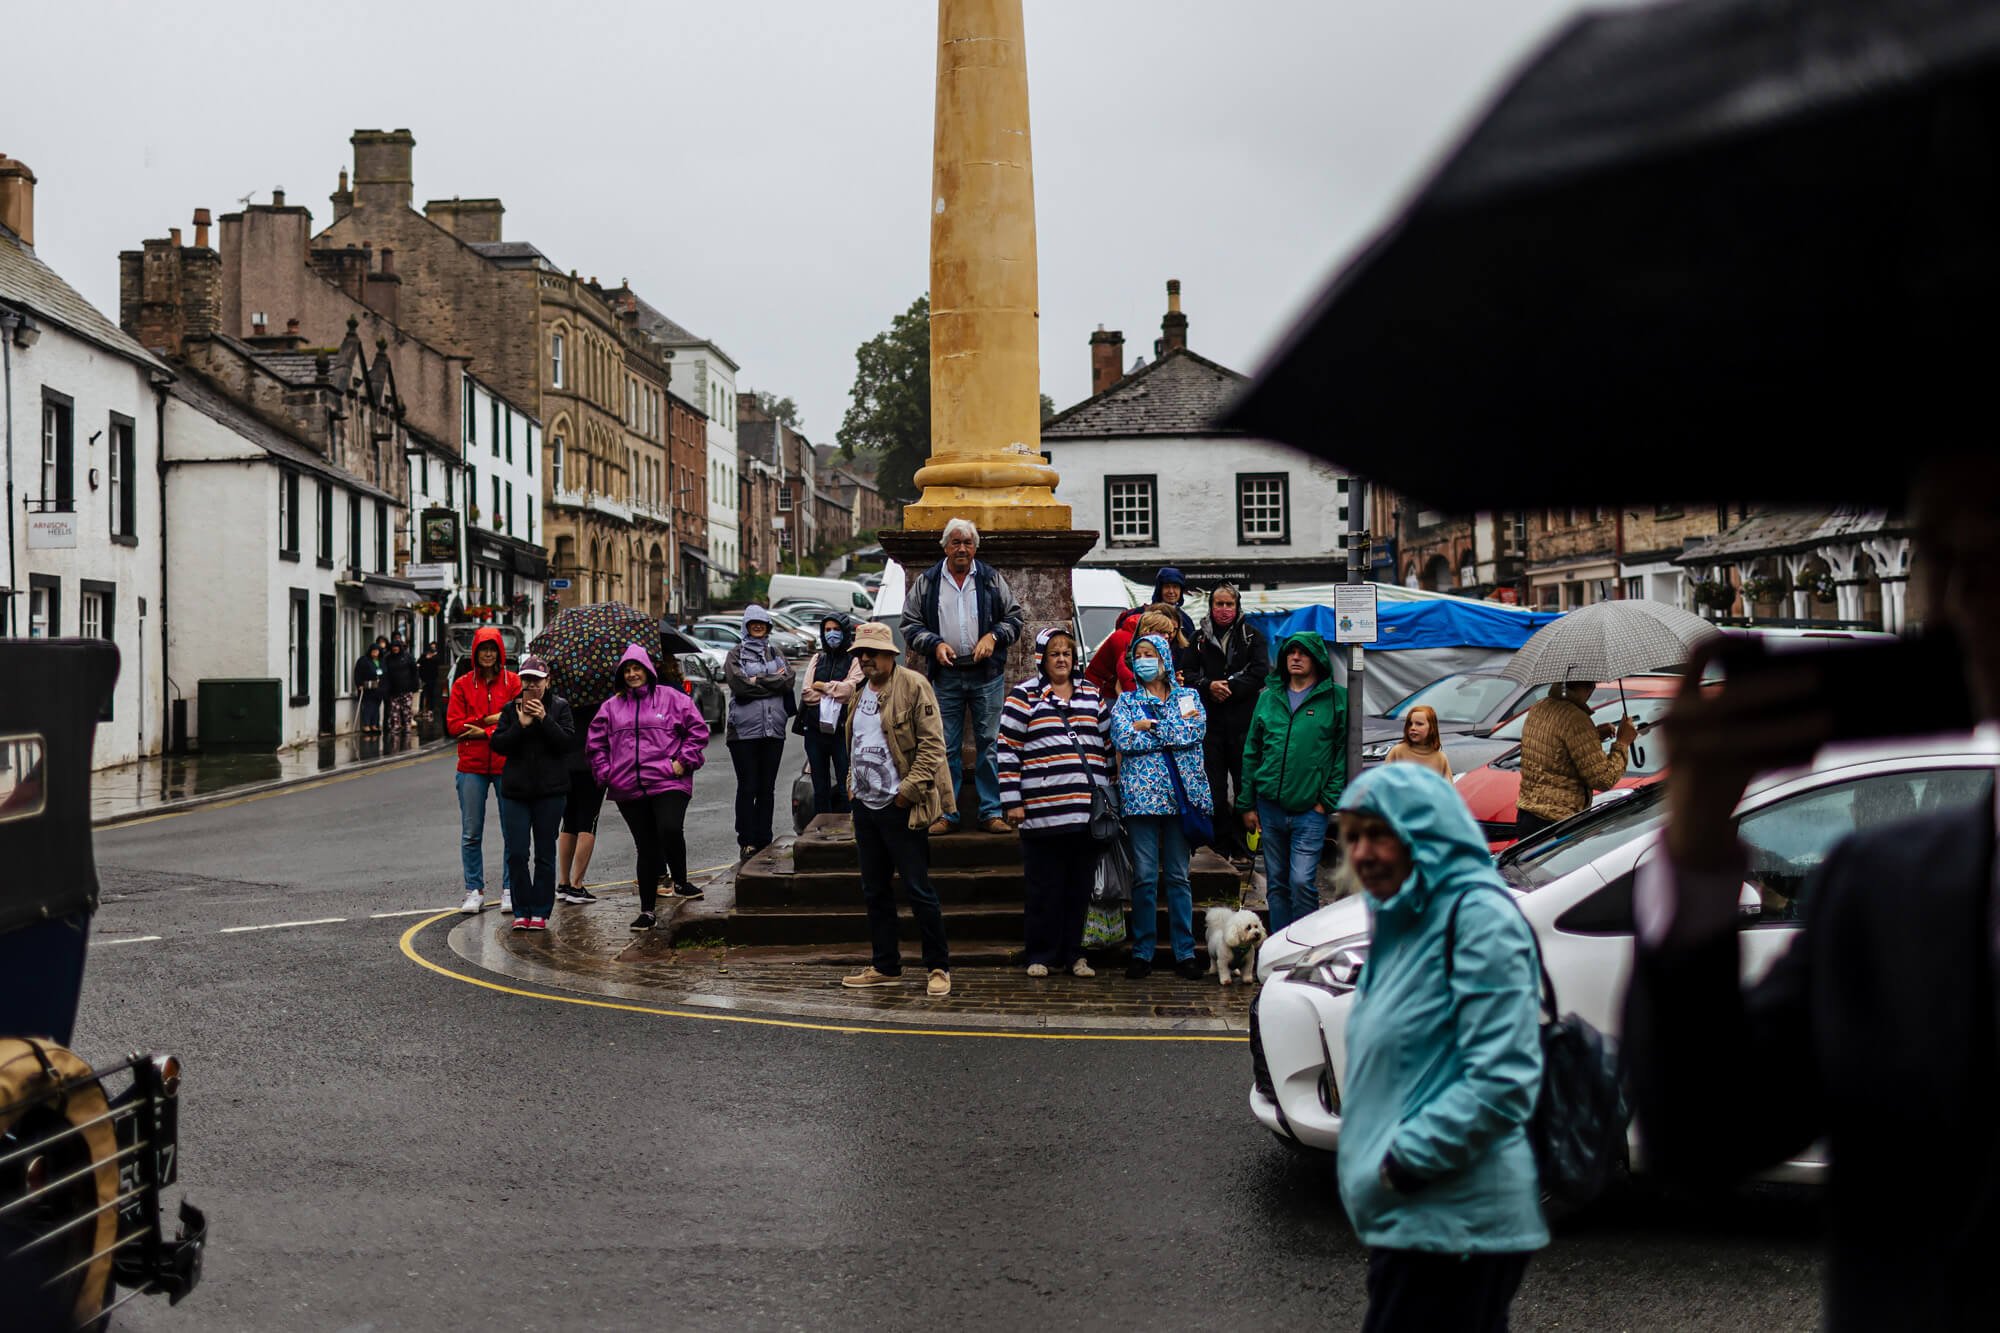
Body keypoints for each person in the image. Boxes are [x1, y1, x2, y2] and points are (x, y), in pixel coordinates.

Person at [1624, 452, 2000, 1330]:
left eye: (1980, 557)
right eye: (1938, 555)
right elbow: (1707, 1138)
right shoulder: (1884, 887)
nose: (1947, 603)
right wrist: (1699, 844)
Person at [1334, 764, 1546, 1333]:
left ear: (1425, 835)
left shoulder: (1478, 918)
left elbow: (1504, 1077)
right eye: (1353, 837)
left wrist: (1404, 1162)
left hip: (1456, 1220)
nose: (1362, 853)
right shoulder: (1401, 918)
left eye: (1380, 834)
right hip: (1413, 1215)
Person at [838, 621, 954, 998]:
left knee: (919, 890)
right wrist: (852, 784)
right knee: (874, 890)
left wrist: (907, 792)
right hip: (866, 807)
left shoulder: (914, 685)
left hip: (900, 806)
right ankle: (885, 965)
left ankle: (938, 967)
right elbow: (856, 741)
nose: (866, 658)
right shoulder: (859, 692)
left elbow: (933, 746)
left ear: (891, 654)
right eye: (861, 653)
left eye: (873, 652)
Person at [899, 518, 1026, 834]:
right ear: (945, 546)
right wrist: (935, 644)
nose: (962, 548)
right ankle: (947, 813)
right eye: (955, 542)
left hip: (987, 674)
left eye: (968, 543)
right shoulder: (928, 582)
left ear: (975, 548)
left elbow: (1015, 618)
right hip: (946, 674)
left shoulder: (990, 579)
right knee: (944, 746)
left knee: (990, 743)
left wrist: (993, 637)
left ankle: (991, 812)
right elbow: (909, 624)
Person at [998, 627, 1109, 979]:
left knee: (1079, 890)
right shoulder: (1024, 696)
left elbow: (1107, 747)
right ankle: (1040, 954)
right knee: (1044, 889)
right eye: (1054, 653)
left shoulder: (1092, 694)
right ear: (1042, 659)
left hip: (1085, 816)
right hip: (1041, 815)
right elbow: (1007, 749)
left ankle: (1074, 954)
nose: (1062, 659)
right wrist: (1012, 801)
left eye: (1067, 653)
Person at [1109, 632, 1211, 981]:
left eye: (1150, 653)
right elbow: (1123, 738)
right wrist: (1162, 730)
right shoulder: (1125, 702)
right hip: (1140, 803)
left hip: (1180, 801)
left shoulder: (1188, 696)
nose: (1143, 660)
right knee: (1145, 879)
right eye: (1138, 654)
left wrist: (1149, 727)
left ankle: (1185, 952)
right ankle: (1143, 952)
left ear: (1164, 658)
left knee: (1179, 877)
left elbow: (1194, 732)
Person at [589, 644, 711, 932]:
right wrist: (607, 773)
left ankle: (679, 880)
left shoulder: (672, 699)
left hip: (669, 780)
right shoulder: (611, 707)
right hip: (628, 787)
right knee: (646, 846)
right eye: (627, 670)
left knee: (669, 827)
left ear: (648, 671)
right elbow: (595, 744)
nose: (632, 674)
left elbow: (698, 731)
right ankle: (647, 910)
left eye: (637, 669)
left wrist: (682, 762)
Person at [1238, 631, 1348, 934]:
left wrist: (1327, 800)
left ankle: (1304, 944)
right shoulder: (1268, 697)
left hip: (1310, 809)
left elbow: (1342, 754)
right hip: (1269, 806)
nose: (1296, 658)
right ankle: (1279, 949)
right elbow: (1252, 751)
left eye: (1303, 653)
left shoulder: (1336, 699)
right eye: (1291, 653)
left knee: (1301, 881)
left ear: (1317, 659)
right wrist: (1246, 803)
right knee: (1277, 884)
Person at [488, 655, 574, 933]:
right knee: (516, 852)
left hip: (550, 792)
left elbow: (566, 744)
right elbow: (498, 744)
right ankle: (521, 909)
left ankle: (540, 911)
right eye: (526, 680)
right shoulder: (510, 709)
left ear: (547, 682)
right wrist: (520, 725)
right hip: (516, 791)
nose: (531, 685)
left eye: (536, 680)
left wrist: (544, 719)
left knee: (545, 854)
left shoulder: (560, 707)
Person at [445, 626, 522, 915]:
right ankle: (473, 890)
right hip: (471, 767)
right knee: (471, 832)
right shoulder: (463, 684)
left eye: (492, 649)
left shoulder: (513, 682)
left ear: (500, 652)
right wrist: (491, 719)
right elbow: (454, 726)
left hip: (506, 763)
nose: (488, 654)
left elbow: (516, 719)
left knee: (511, 830)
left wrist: (483, 730)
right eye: (482, 649)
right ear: (475, 654)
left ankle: (509, 889)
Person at [1192, 583, 1269, 858]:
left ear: (1237, 607)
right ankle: (1218, 844)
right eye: (1219, 604)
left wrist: (1230, 689)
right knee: (1213, 788)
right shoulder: (1198, 638)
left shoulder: (1252, 636)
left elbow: (1261, 672)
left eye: (1229, 604)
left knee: (1243, 784)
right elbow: (1187, 674)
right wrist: (1208, 686)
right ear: (1210, 607)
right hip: (1209, 726)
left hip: (1243, 725)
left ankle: (1242, 846)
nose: (1224, 610)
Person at [1514, 680, 1635, 838]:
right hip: (1558, 822)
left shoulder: (1539, 707)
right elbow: (1603, 779)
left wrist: (1593, 735)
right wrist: (1622, 743)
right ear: (1587, 687)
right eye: (1592, 685)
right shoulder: (1576, 719)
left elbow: (1558, 749)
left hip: (1527, 815)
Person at [723, 605, 794, 859]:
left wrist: (758, 681)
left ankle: (764, 838)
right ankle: (747, 840)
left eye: (761, 623)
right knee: (748, 786)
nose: (757, 627)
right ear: (746, 625)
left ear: (767, 627)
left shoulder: (776, 652)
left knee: (767, 788)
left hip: (773, 731)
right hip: (743, 733)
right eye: (753, 623)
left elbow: (788, 681)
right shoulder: (735, 654)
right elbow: (739, 686)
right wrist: (771, 681)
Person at [798, 613, 862, 818]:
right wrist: (836, 692)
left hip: (842, 730)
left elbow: (851, 690)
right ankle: (820, 829)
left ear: (845, 632)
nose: (831, 634)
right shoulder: (818, 658)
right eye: (827, 630)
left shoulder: (854, 659)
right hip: (815, 729)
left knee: (846, 783)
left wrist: (824, 687)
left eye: (836, 629)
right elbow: (807, 693)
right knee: (820, 785)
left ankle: (847, 829)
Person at [556, 696, 604, 905]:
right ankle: (577, 885)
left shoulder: (562, 701)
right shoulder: (602, 702)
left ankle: (564, 883)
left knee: (569, 823)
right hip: (590, 764)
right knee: (588, 822)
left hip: (566, 765)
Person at [1083, 607, 1145, 697]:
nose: (1166, 635)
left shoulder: (1133, 635)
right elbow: (1126, 673)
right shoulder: (1125, 639)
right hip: (1102, 688)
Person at [1384, 704, 1453, 779]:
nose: (1413, 728)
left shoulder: (1440, 757)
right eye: (1410, 724)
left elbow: (1447, 787)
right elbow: (1385, 780)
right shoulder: (1398, 751)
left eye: (1419, 724)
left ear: (1431, 727)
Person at [381, 637, 420, 742]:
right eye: (393, 647)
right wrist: (385, 687)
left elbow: (414, 671)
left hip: (407, 688)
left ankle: (407, 726)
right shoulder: (387, 658)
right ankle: (396, 726)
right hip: (393, 690)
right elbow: (385, 674)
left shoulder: (407, 657)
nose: (395, 649)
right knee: (394, 710)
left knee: (406, 710)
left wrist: (415, 685)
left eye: (397, 647)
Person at [353, 642, 384, 735]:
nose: (375, 653)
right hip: (367, 687)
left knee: (376, 707)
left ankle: (374, 724)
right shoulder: (363, 660)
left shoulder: (381, 661)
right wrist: (359, 684)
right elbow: (357, 673)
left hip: (378, 688)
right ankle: (366, 725)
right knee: (367, 706)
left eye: (377, 651)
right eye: (373, 651)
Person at [416, 641, 445, 722]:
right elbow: (419, 662)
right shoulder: (425, 655)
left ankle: (430, 709)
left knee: (431, 694)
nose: (433, 648)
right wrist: (426, 658)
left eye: (434, 647)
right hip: (424, 678)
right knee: (424, 693)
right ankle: (422, 709)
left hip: (433, 678)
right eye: (431, 647)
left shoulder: (437, 656)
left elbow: (438, 662)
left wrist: (430, 658)